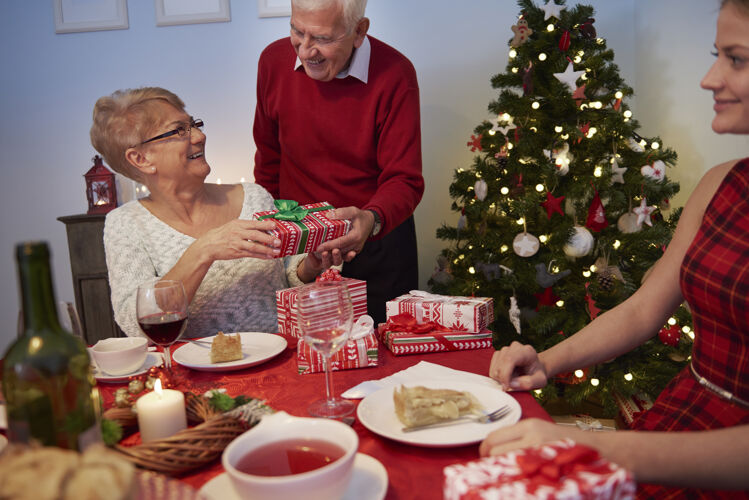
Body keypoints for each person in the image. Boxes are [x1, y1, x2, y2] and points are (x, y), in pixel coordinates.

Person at [481, 0, 749, 497]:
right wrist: (547, 361)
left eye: (736, 59)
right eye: (718, 54)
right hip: (684, 416)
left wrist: (588, 445)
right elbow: (645, 308)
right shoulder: (722, 184)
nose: (710, 78)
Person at [91, 87, 339, 338]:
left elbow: (287, 272)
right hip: (199, 374)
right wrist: (204, 250)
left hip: (281, 359)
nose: (199, 136)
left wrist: (310, 265)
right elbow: (135, 323)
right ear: (141, 158)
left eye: (194, 124)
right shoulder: (126, 224)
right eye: (179, 130)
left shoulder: (254, 196)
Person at [252, 0, 424, 325]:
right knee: (307, 361)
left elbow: (405, 179)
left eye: (322, 38)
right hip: (302, 249)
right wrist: (283, 236)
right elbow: (267, 161)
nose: (305, 51)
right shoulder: (272, 62)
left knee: (384, 364)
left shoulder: (396, 74)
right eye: (296, 31)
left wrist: (371, 221)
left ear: (359, 31)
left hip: (376, 238)